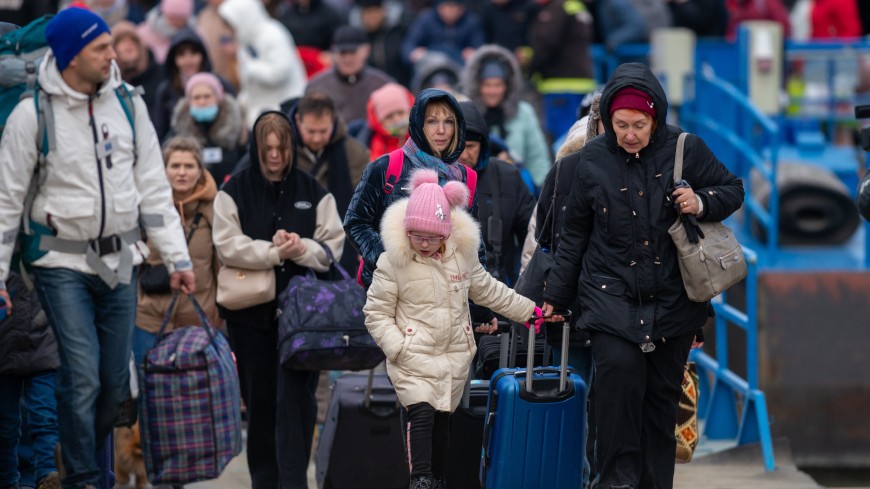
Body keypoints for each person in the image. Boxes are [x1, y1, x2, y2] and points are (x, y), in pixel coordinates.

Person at [0, 9, 194, 489]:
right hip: (58, 260)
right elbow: (7, 199)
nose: (113, 55)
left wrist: (177, 257)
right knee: (82, 374)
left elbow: (152, 185)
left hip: (120, 260)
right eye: (99, 49)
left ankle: (78, 460)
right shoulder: (32, 113)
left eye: (111, 45)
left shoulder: (129, 104)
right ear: (70, 56)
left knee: (111, 386)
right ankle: (83, 478)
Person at [540, 63, 744, 489]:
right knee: (616, 401)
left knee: (659, 410)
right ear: (607, 120)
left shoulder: (686, 148)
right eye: (620, 125)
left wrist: (699, 201)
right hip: (609, 299)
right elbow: (573, 236)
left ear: (656, 118)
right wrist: (554, 298)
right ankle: (615, 483)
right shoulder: (591, 160)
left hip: (673, 303)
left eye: (639, 124)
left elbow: (733, 190)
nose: (630, 134)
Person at [363, 168, 542, 489]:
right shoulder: (393, 263)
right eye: (416, 235)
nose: (424, 244)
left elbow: (488, 290)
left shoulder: (462, 258)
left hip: (452, 356)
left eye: (432, 237)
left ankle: (438, 479)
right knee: (421, 414)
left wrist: (528, 311)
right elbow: (376, 312)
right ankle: (420, 479)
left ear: (446, 233)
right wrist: (397, 347)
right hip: (412, 357)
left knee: (443, 420)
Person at [212, 112, 345, 489]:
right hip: (250, 318)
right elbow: (226, 245)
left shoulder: (314, 191)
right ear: (256, 148)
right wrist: (273, 252)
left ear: (292, 147)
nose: (274, 156)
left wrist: (300, 248)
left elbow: (332, 249)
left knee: (298, 405)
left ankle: (294, 483)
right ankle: (264, 483)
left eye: (281, 148)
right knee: (259, 406)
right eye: (267, 149)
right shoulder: (233, 190)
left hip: (304, 320)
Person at [344, 88, 497, 327]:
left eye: (449, 122)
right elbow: (355, 221)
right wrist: (388, 259)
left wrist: (480, 309)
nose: (441, 131)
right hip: (396, 294)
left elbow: (472, 247)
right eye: (432, 121)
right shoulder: (386, 167)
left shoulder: (466, 177)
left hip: (446, 295)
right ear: (417, 124)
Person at [288, 91, 370, 271]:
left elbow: (365, 203)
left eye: (323, 131)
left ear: (333, 120)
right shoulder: (282, 149)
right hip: (292, 244)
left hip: (341, 246)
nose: (317, 138)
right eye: (310, 131)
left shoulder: (355, 153)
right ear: (297, 120)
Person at [457, 100, 534, 285]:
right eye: (458, 147)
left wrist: (528, 287)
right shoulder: (433, 178)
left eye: (471, 146)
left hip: (501, 291)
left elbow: (533, 237)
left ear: (483, 145)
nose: (464, 155)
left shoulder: (507, 176)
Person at [461, 44, 552, 188]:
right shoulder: (467, 113)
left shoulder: (524, 112)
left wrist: (542, 190)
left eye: (498, 85)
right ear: (477, 85)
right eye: (487, 85)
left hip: (516, 187)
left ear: (507, 86)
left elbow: (537, 156)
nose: (493, 91)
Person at [0, 273, 60, 489]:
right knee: (5, 425)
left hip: (44, 338)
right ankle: (7, 481)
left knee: (45, 417)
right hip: (4, 342)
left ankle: (48, 475)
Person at [218, 0, 308, 128]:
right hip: (262, 112)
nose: (230, 30)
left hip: (284, 110)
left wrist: (249, 68)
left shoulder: (272, 34)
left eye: (231, 24)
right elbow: (249, 83)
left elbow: (279, 72)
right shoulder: (246, 40)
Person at [153, 27, 235, 141]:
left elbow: (235, 123)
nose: (188, 60)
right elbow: (160, 131)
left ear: (203, 56)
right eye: (181, 54)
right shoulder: (165, 90)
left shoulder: (222, 84)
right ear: (173, 59)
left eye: (194, 53)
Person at [306, 26, 394, 127]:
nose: (347, 59)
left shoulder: (383, 84)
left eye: (353, 52)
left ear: (366, 50)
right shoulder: (317, 87)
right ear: (333, 52)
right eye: (342, 53)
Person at [168, 72, 246, 185]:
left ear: (218, 98)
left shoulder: (238, 130)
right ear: (188, 102)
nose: (202, 102)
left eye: (207, 96)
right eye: (196, 97)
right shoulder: (177, 132)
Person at [349, 0, 413, 87]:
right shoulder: (357, 38)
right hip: (368, 88)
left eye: (374, 11)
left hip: (400, 85)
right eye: (367, 12)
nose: (371, 17)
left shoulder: (398, 33)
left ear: (383, 11)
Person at [402, 0, 484, 67]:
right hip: (430, 64)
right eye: (446, 6)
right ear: (439, 7)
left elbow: (480, 47)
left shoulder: (471, 22)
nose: (450, 11)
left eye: (454, 7)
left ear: (461, 9)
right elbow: (409, 45)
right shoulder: (426, 19)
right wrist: (413, 53)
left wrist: (474, 53)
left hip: (460, 65)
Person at [111, 21, 163, 124]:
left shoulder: (160, 74)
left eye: (133, 40)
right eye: (122, 41)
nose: (128, 44)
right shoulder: (109, 82)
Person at [352, 82, 414, 160]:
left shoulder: (422, 138)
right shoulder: (374, 145)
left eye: (400, 113)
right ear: (378, 121)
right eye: (389, 116)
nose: (396, 119)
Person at [136, 0, 194, 64]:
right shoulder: (144, 33)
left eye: (180, 18)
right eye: (172, 17)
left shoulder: (194, 35)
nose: (176, 22)